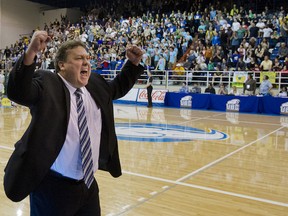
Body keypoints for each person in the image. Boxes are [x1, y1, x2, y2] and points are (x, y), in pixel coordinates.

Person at [3, 31, 144, 215]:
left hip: (88, 185)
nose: (86, 62)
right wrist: (31, 52)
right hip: (52, 188)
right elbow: (19, 91)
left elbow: (116, 88)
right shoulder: (48, 83)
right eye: (79, 58)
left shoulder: (94, 84)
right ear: (62, 65)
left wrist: (132, 64)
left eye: (87, 58)